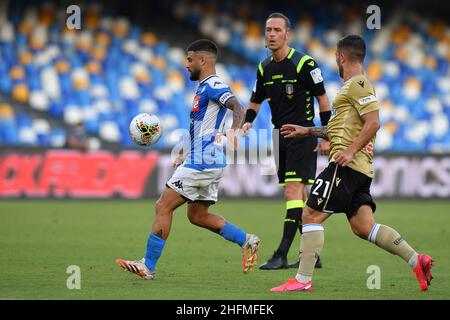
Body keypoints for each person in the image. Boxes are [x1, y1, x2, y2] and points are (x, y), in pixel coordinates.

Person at [271, 35, 433, 292]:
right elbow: (339, 129)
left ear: (341, 57)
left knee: (310, 213)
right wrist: (308, 131)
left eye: (336, 56)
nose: (336, 60)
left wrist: (349, 151)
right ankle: (417, 260)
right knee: (364, 227)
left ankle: (301, 281)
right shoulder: (351, 89)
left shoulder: (359, 83)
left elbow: (374, 122)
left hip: (346, 166)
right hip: (360, 169)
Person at [116, 39, 260, 279]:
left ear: (202, 60)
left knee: (163, 206)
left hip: (204, 161)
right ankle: (247, 240)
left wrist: (234, 131)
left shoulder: (213, 84)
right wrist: (185, 153)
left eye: (190, 60)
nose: (186, 65)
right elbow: (204, 128)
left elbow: (238, 107)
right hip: (206, 159)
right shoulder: (203, 88)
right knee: (197, 216)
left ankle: (147, 266)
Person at [242, 12, 331, 270]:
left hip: (302, 136)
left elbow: (323, 100)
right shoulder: (264, 67)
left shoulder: (305, 64)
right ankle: (311, 255)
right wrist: (247, 121)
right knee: (299, 196)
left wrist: (325, 133)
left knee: (292, 192)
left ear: (287, 34)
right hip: (278, 136)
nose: (271, 34)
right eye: (268, 30)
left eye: (277, 30)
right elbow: (255, 100)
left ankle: (281, 254)